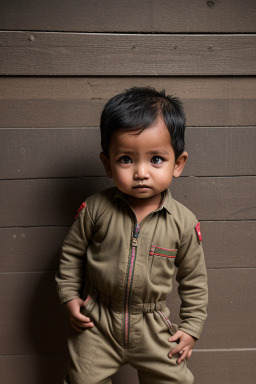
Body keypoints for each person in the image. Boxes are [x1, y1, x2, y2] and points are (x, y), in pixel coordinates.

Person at [55, 87, 208, 384]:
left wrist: (191, 327)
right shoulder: (95, 209)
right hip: (97, 322)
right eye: (126, 159)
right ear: (107, 163)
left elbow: (194, 279)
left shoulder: (183, 222)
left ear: (178, 163)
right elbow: (71, 255)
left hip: (152, 324)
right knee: (81, 379)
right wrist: (69, 296)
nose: (140, 172)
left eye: (156, 160)